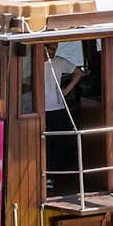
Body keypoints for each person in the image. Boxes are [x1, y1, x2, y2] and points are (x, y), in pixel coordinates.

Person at [44, 45, 83, 192]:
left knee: (58, 144)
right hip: (43, 110)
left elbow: (78, 73)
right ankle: (49, 177)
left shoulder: (59, 62)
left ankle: (55, 176)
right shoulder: (33, 64)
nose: (53, 52)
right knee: (46, 145)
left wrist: (66, 90)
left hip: (57, 108)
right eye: (50, 48)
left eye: (55, 48)